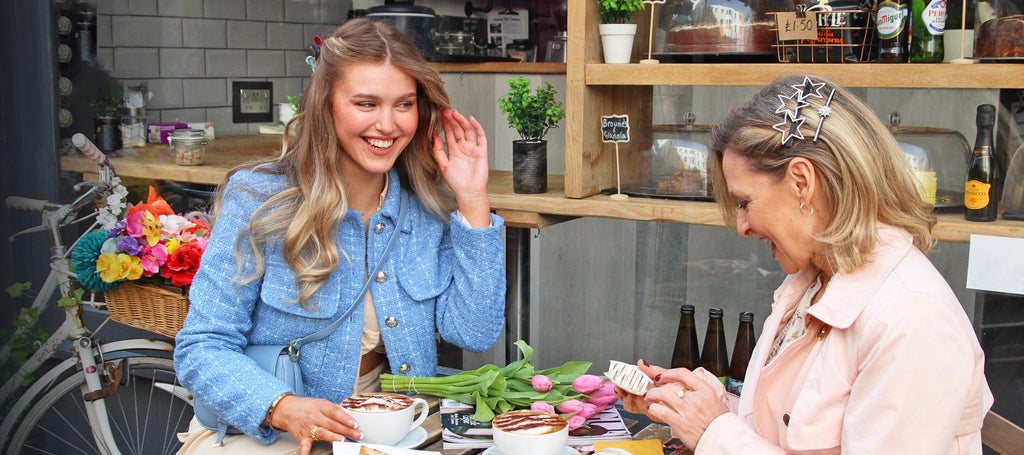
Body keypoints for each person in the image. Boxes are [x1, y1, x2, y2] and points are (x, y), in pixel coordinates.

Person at [174, 18, 506, 455]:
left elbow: (474, 333)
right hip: (271, 430)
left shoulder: (428, 209)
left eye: (403, 104)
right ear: (325, 105)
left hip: (394, 429)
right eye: (366, 104)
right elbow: (202, 346)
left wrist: (473, 199)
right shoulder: (257, 198)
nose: (387, 125)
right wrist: (281, 406)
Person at [616, 75, 993, 454]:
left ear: (801, 181)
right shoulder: (816, 281)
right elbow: (780, 432)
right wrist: (691, 405)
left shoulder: (913, 321)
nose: (742, 227)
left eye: (745, 202)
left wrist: (714, 433)